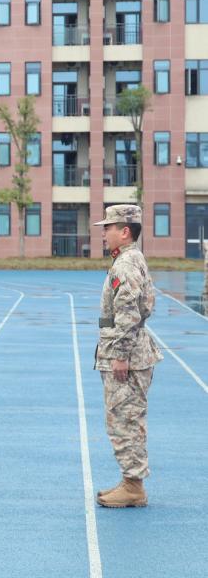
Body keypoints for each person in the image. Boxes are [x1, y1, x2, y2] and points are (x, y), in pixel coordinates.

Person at [94, 204, 161, 509]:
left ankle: (134, 487)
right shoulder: (131, 259)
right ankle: (130, 480)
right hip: (132, 350)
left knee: (124, 420)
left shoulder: (125, 264)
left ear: (124, 231)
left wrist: (120, 355)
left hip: (127, 355)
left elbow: (129, 311)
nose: (104, 233)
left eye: (108, 228)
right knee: (127, 418)